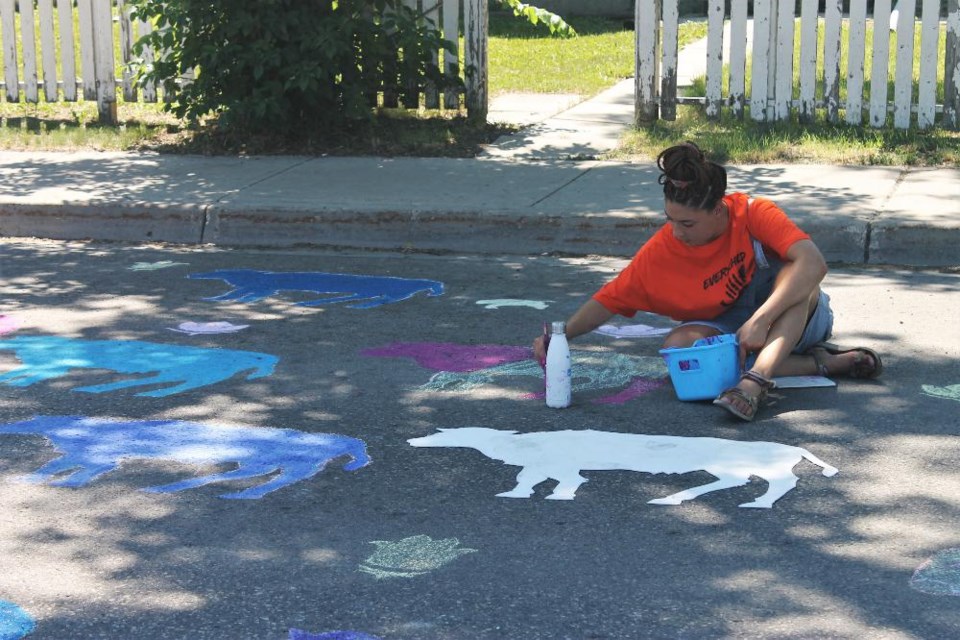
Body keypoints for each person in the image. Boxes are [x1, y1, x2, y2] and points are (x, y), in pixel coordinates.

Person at [532, 142, 882, 421]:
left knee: (795, 275)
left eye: (687, 224)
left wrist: (760, 320)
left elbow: (814, 263)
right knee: (681, 350)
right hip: (734, 329)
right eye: (670, 219)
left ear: (718, 210)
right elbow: (609, 299)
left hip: (798, 316)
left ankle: (753, 384)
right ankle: (825, 363)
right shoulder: (663, 250)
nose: (676, 232)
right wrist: (559, 336)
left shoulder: (753, 213)